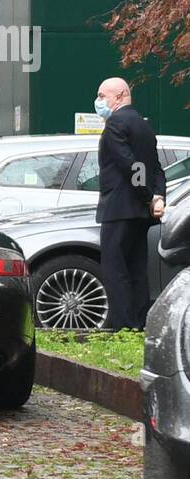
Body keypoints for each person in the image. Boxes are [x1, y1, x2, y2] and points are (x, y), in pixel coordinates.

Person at [94, 77, 165, 330]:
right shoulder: (144, 125)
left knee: (115, 269)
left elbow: (129, 165)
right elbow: (155, 167)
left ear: (121, 95)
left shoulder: (116, 122)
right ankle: (139, 322)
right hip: (140, 213)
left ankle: (122, 326)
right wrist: (157, 196)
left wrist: (149, 196)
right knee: (136, 268)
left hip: (119, 208)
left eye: (103, 96)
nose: (99, 101)